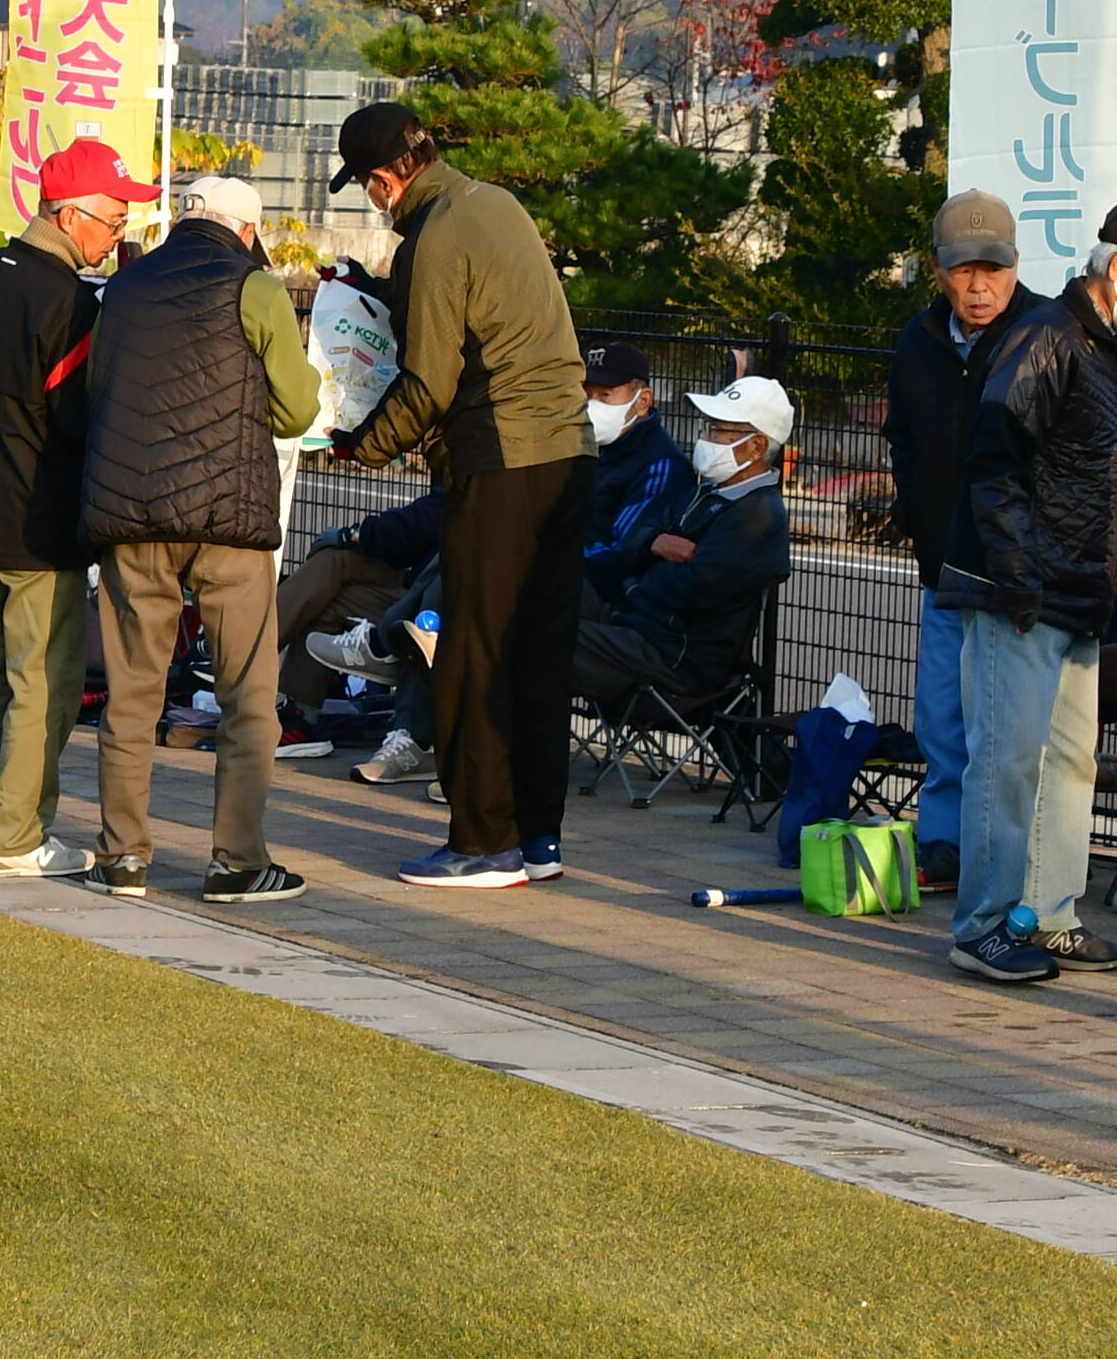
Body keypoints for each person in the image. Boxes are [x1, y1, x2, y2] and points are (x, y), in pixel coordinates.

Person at [938, 200, 1117, 986]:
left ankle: (1049, 917)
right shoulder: (1046, 338)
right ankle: (982, 926)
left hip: (1075, 593)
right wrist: (1018, 577)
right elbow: (995, 464)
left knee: (1065, 761)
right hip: (1019, 595)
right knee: (1008, 763)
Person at [333, 102, 593, 889]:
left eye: (368, 187)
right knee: (539, 657)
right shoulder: (495, 204)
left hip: (499, 456)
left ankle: (483, 842)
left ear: (386, 178)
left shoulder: (434, 235)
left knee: (474, 653)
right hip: (567, 453)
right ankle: (537, 839)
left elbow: (428, 381)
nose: (373, 201)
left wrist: (358, 445)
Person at [81, 169, 322, 903]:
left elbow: (100, 387)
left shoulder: (122, 288)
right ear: (245, 230)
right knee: (249, 694)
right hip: (229, 520)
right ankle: (237, 862)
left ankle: (123, 857)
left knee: (131, 694)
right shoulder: (255, 286)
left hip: (134, 514)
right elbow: (296, 409)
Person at [0, 136, 140, 879]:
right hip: (36, 517)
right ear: (71, 215)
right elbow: (83, 418)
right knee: (40, 686)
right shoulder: (73, 304)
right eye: (114, 221)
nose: (119, 236)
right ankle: (15, 837)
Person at [884, 190, 1061, 894]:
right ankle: (944, 846)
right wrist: (914, 507)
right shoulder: (918, 340)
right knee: (942, 720)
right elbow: (901, 434)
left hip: (1020, 574)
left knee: (1013, 735)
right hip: (943, 562)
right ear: (937, 269)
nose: (978, 285)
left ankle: (1014, 863)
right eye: (963, 270)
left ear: (1016, 266)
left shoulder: (1048, 332)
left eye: (993, 268)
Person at [571, 374, 795, 719]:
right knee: (546, 586)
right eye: (707, 427)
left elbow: (695, 590)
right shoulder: (704, 492)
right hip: (637, 628)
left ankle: (520, 757)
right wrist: (653, 544)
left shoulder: (758, 516)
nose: (705, 438)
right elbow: (633, 539)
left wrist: (642, 569)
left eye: (719, 431)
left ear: (757, 446)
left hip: (672, 661)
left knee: (546, 635)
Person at [278, 488, 440, 761]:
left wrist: (357, 534)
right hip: (417, 580)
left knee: (334, 574)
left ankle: (238, 655)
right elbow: (417, 533)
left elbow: (424, 521)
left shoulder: (479, 460)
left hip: (436, 599)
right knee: (331, 574)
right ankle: (301, 716)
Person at [577, 341, 689, 598]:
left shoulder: (661, 466)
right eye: (586, 394)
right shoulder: (599, 446)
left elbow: (621, 552)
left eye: (605, 395)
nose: (591, 405)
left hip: (615, 601)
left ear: (643, 401)